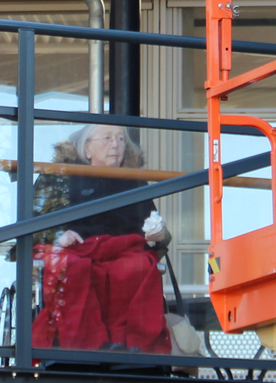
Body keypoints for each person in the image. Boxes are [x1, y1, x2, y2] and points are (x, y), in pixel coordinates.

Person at [30, 124, 171, 354]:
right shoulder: (61, 178)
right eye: (107, 138)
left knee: (140, 266)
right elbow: (33, 223)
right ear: (87, 149)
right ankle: (88, 345)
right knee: (74, 268)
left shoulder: (134, 182)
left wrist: (158, 235)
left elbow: (158, 233)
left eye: (120, 139)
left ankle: (134, 345)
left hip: (122, 251)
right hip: (76, 250)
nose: (115, 144)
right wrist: (57, 236)